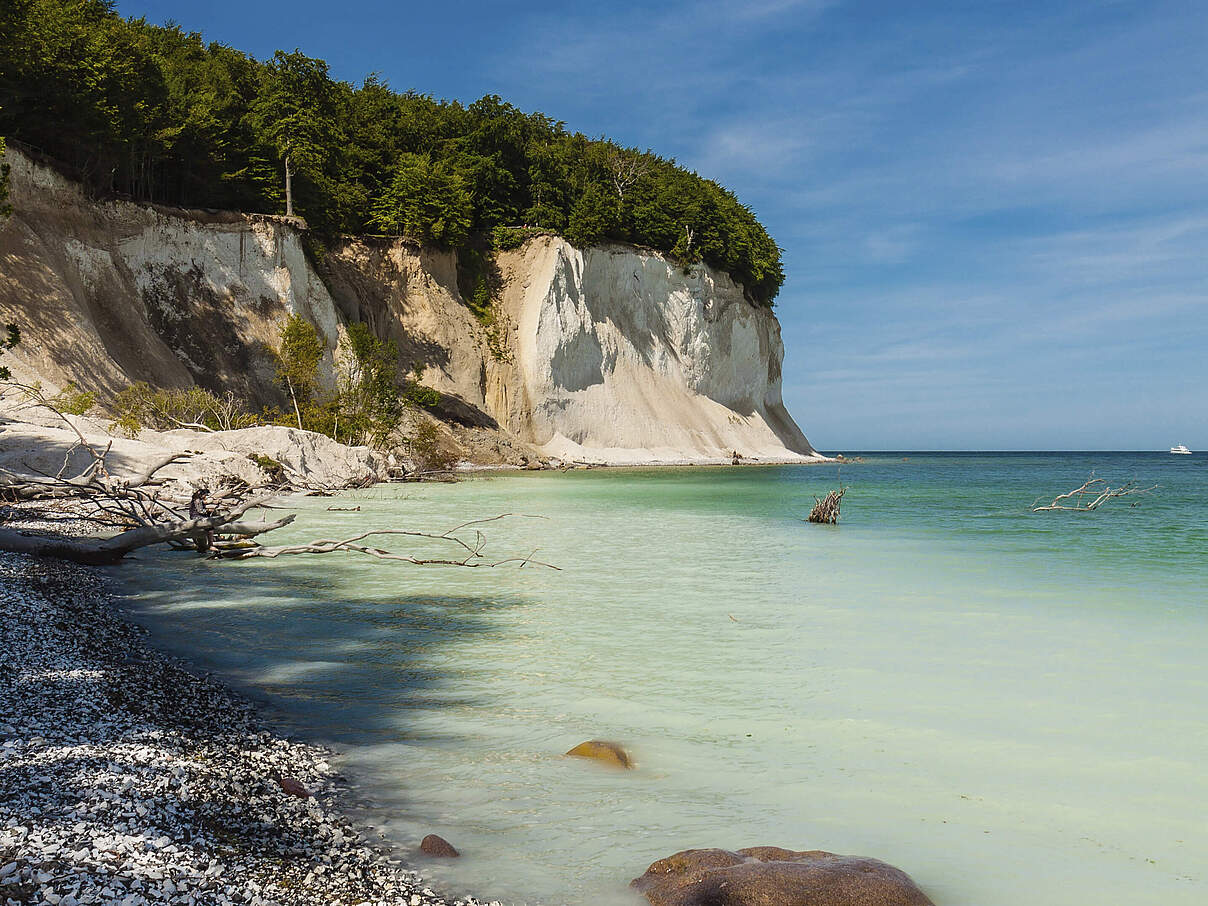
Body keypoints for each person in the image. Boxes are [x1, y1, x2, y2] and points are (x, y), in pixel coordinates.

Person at [189, 487, 214, 552]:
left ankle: (202, 546)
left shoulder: (195, 499)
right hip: (197, 517)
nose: (205, 496)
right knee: (210, 528)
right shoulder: (197, 500)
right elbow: (200, 511)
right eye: (205, 495)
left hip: (194, 516)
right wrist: (208, 511)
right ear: (202, 495)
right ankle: (211, 545)